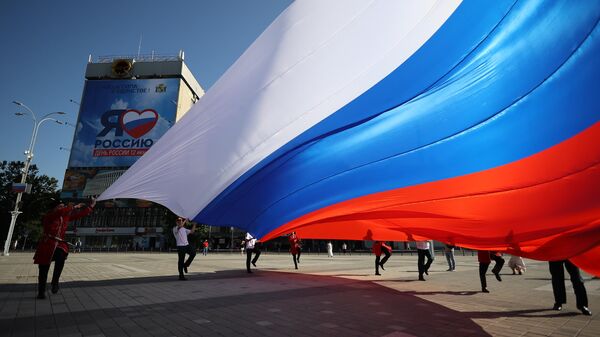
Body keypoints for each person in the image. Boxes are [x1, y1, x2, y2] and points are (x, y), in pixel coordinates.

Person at [34, 198, 95, 299]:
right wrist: (74, 206)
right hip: (47, 244)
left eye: (63, 206)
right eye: (60, 206)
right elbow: (61, 212)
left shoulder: (65, 217)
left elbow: (79, 215)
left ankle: (55, 282)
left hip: (59, 244)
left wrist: (91, 206)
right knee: (43, 269)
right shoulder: (49, 216)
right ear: (54, 208)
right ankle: (41, 291)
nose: (62, 208)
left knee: (61, 257)